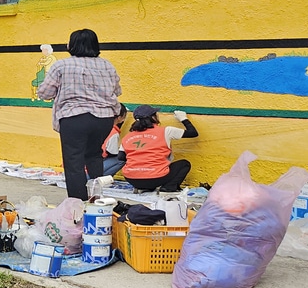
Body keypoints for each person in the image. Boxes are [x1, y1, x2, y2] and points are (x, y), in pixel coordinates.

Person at [35, 30, 123, 202]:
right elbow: (117, 90)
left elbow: (44, 92)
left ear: (71, 45)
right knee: (94, 155)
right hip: (103, 119)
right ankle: (98, 200)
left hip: (74, 118)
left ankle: (78, 204)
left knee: (74, 161)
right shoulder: (107, 65)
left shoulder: (61, 65)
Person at [106, 105, 199, 193]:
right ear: (153, 118)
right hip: (156, 178)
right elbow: (193, 133)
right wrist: (183, 118)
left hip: (132, 179)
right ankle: (168, 188)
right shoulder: (166, 131)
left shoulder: (128, 136)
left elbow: (121, 157)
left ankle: (145, 187)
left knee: (150, 175)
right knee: (184, 164)